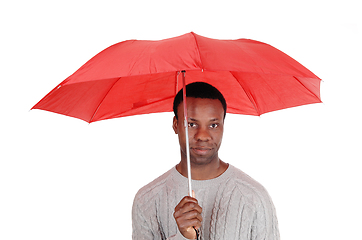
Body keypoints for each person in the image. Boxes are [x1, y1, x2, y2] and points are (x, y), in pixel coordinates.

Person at [132, 82, 280, 240]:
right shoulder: (147, 199)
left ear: (223, 126)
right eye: (191, 124)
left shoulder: (253, 196)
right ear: (176, 125)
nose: (202, 135)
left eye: (213, 125)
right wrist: (185, 237)